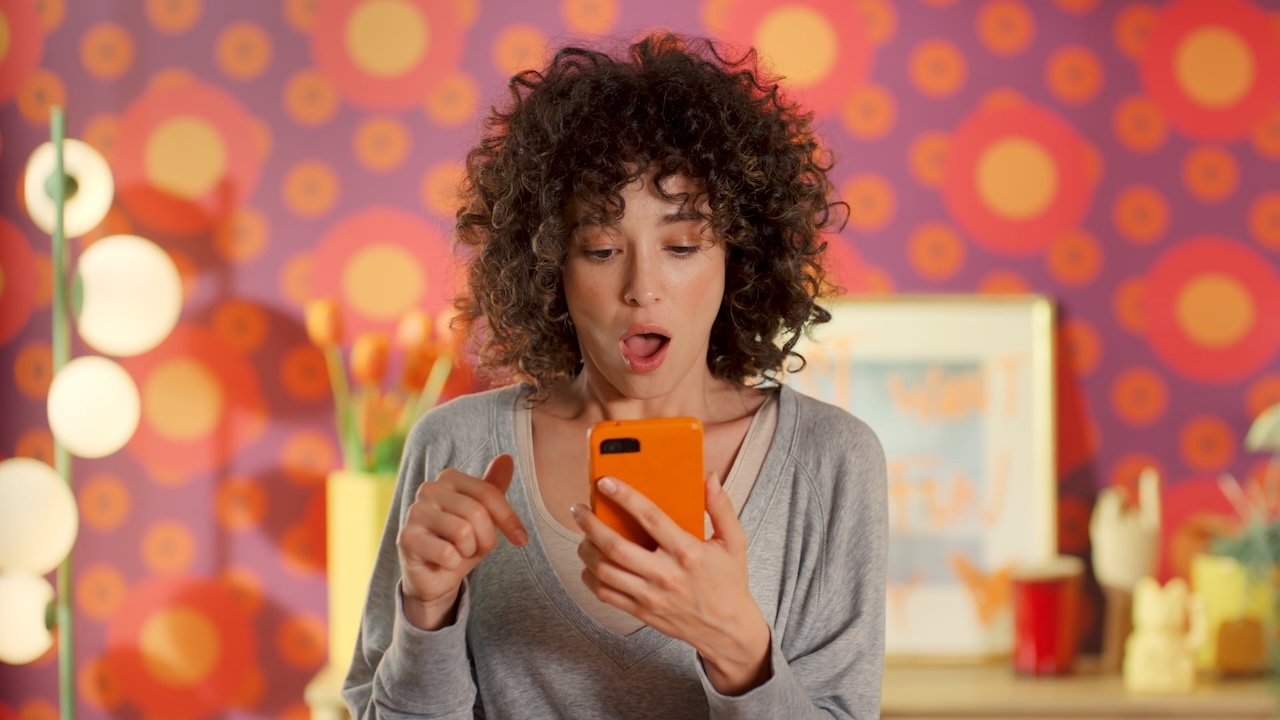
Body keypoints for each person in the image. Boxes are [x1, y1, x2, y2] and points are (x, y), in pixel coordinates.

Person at [343, 32, 887, 719]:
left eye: (682, 245)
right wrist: (426, 613)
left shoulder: (830, 461)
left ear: (738, 258)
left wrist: (740, 651)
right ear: (551, 267)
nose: (642, 288)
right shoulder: (454, 447)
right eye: (600, 248)